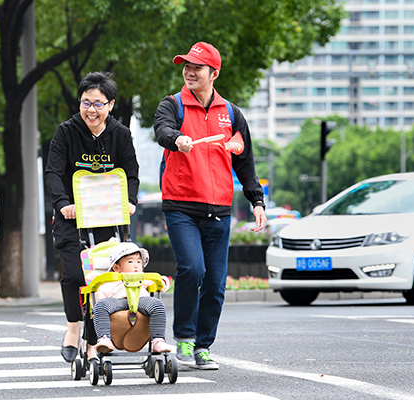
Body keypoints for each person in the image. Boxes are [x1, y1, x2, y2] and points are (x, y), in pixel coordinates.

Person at [153, 42, 267, 370]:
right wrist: (176, 139)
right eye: (186, 66)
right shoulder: (172, 105)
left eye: (197, 67)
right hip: (181, 205)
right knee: (192, 268)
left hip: (219, 208)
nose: (189, 71)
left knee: (217, 283)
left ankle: (203, 346)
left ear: (214, 73)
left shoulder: (231, 114)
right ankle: (185, 339)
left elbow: (244, 162)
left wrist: (256, 200)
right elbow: (161, 130)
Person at [44, 71, 140, 364]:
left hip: (109, 220)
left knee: (102, 280)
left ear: (110, 105)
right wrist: (62, 204)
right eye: (86, 102)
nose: (91, 110)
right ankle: (74, 326)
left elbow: (131, 173)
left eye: (98, 104)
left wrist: (131, 201)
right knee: (76, 275)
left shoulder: (120, 135)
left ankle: (93, 338)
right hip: (71, 218)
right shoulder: (66, 131)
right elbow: (53, 172)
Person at [91, 242, 172, 354]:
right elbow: (100, 294)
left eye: (139, 261)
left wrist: (161, 281)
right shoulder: (111, 280)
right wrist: (99, 304)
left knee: (158, 305)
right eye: (130, 261)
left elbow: (161, 284)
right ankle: (104, 339)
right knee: (100, 305)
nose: (136, 265)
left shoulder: (143, 278)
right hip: (119, 302)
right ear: (116, 267)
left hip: (141, 300)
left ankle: (158, 340)